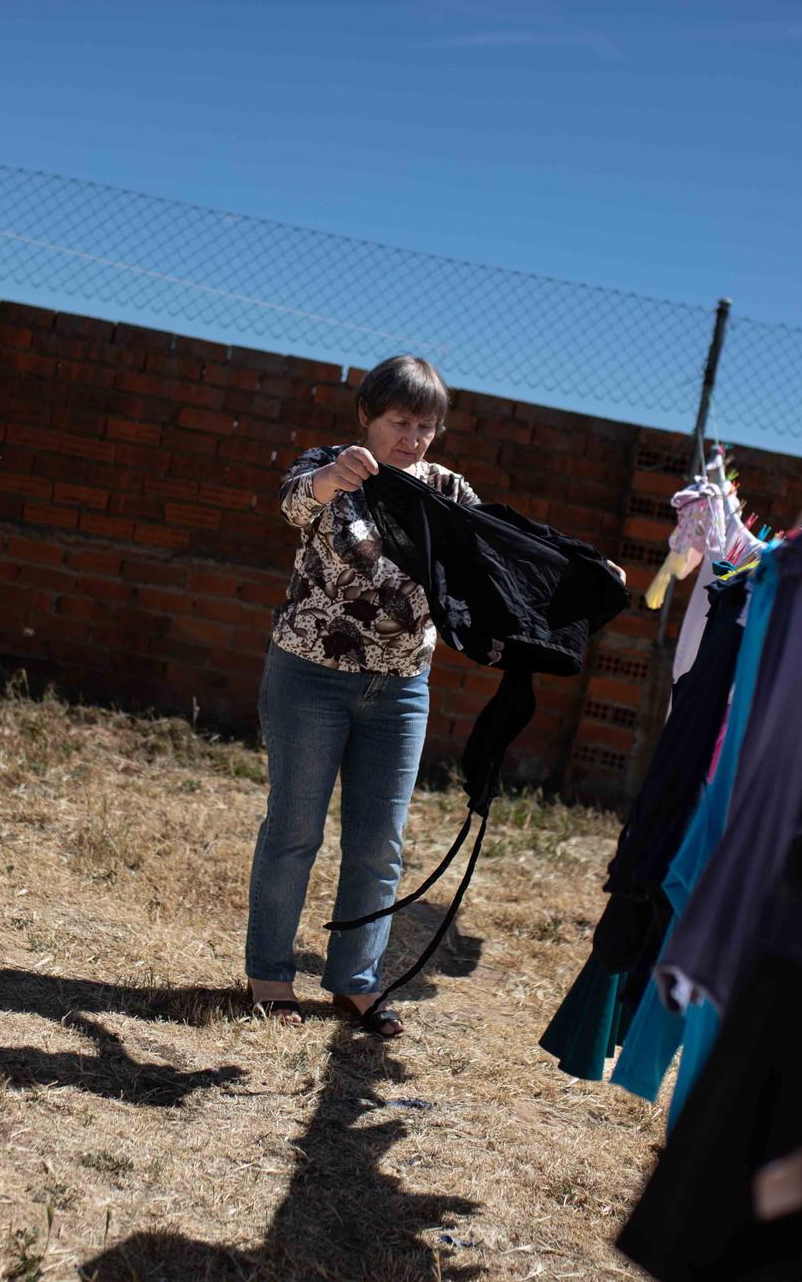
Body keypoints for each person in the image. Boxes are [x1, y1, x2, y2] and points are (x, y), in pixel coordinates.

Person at [243, 355, 621, 1037]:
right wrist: (331, 481)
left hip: (401, 691)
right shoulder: (331, 466)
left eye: (427, 425)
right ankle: (269, 975)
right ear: (367, 414)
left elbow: (499, 553)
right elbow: (291, 501)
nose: (413, 438)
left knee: (379, 843)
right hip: (309, 678)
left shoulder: (447, 490)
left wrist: (585, 575)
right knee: (294, 829)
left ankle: (356, 982)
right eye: (400, 421)